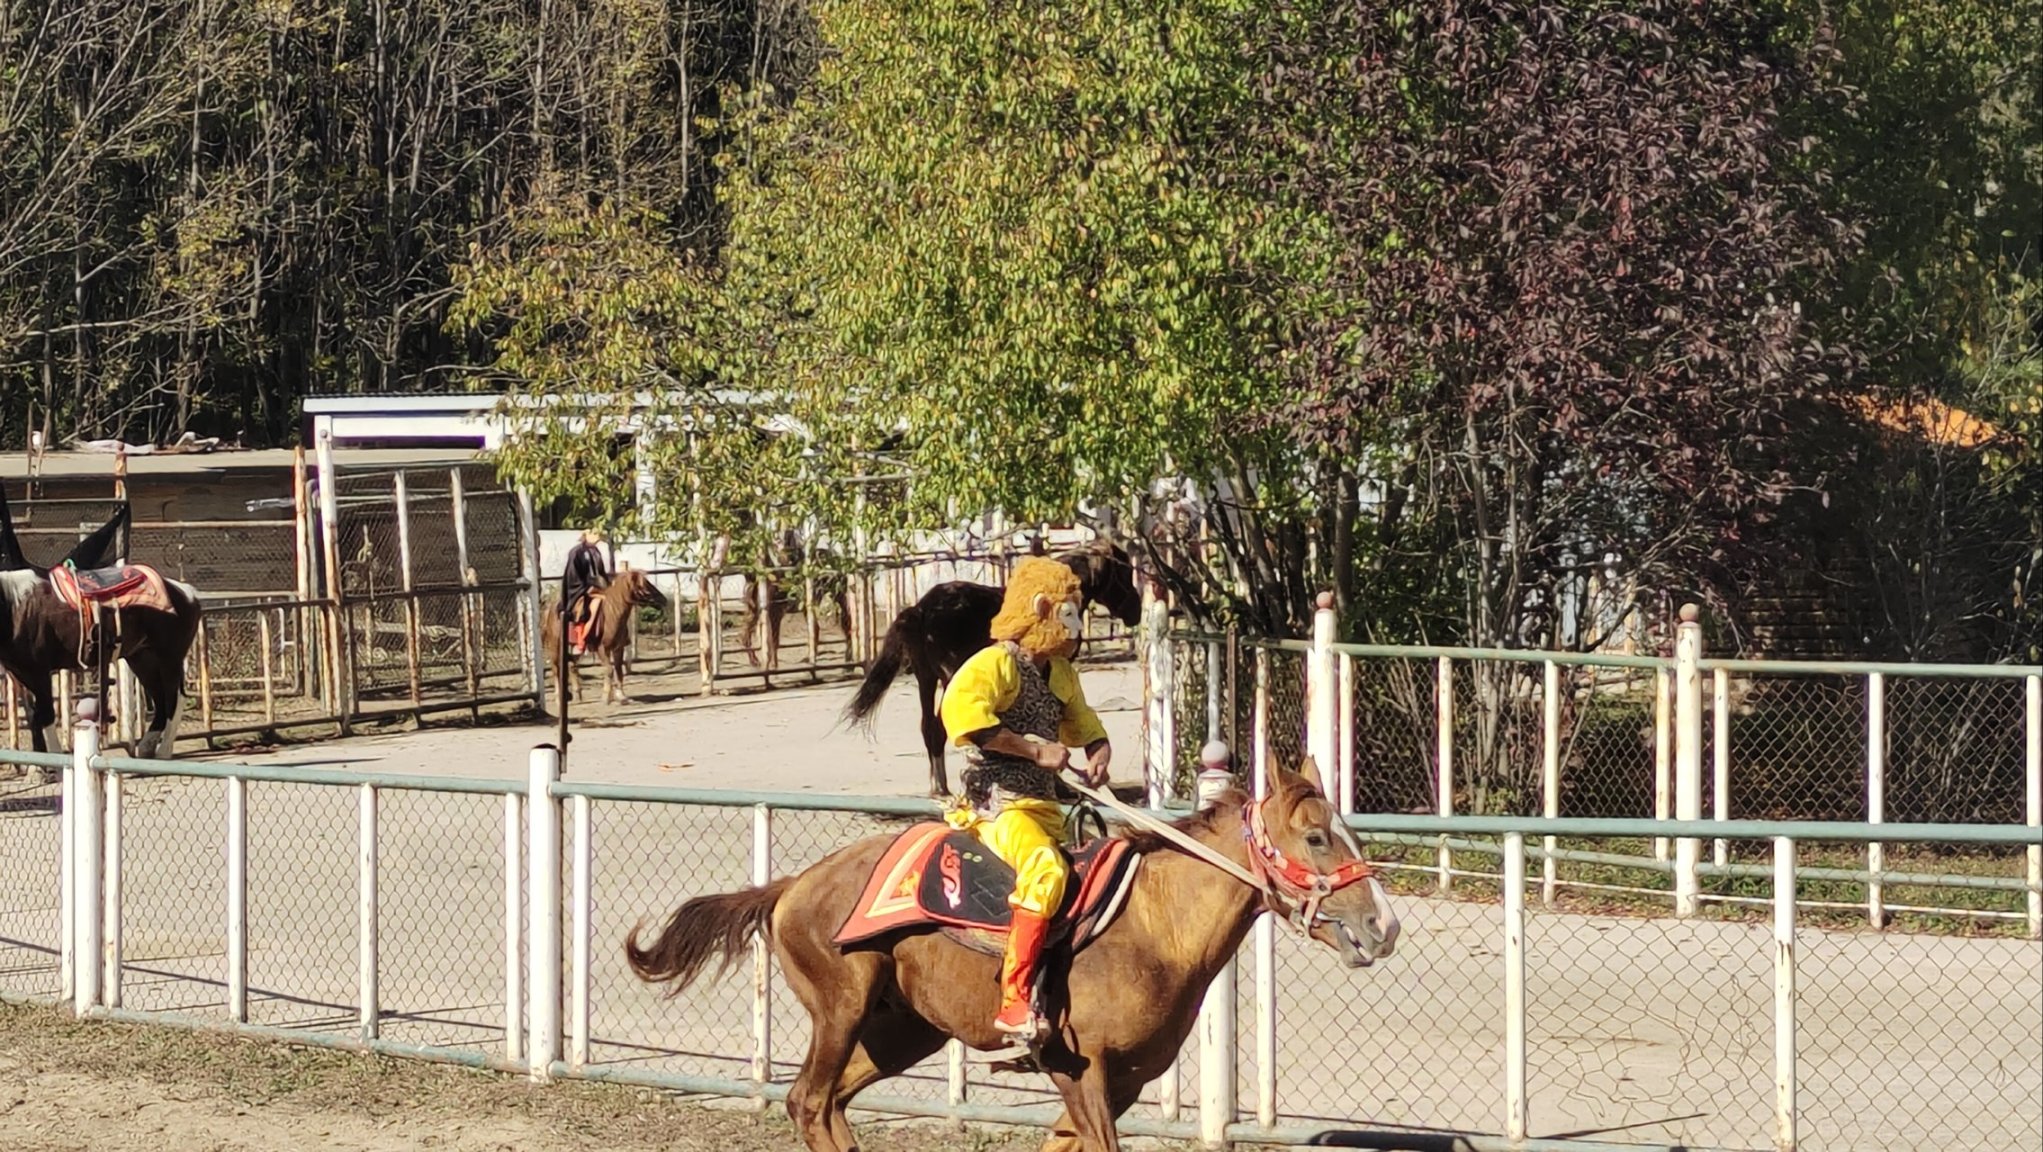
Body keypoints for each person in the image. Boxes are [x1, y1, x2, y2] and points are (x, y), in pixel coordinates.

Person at [939, 556, 1113, 1039]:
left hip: (1047, 806)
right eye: (1068, 616)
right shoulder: (994, 664)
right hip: (1000, 805)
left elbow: (1082, 723)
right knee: (1046, 869)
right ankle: (1013, 1001)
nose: (1076, 629)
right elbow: (966, 721)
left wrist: (1099, 750)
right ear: (1041, 610)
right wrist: (1035, 750)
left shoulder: (1060, 672)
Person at [562, 527, 612, 656]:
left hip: (596, 587)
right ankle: (581, 640)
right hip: (580, 588)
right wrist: (585, 588)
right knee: (588, 608)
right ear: (586, 534)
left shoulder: (596, 551)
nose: (597, 536)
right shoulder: (576, 552)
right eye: (594, 533)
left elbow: (600, 572)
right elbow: (573, 574)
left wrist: (608, 586)